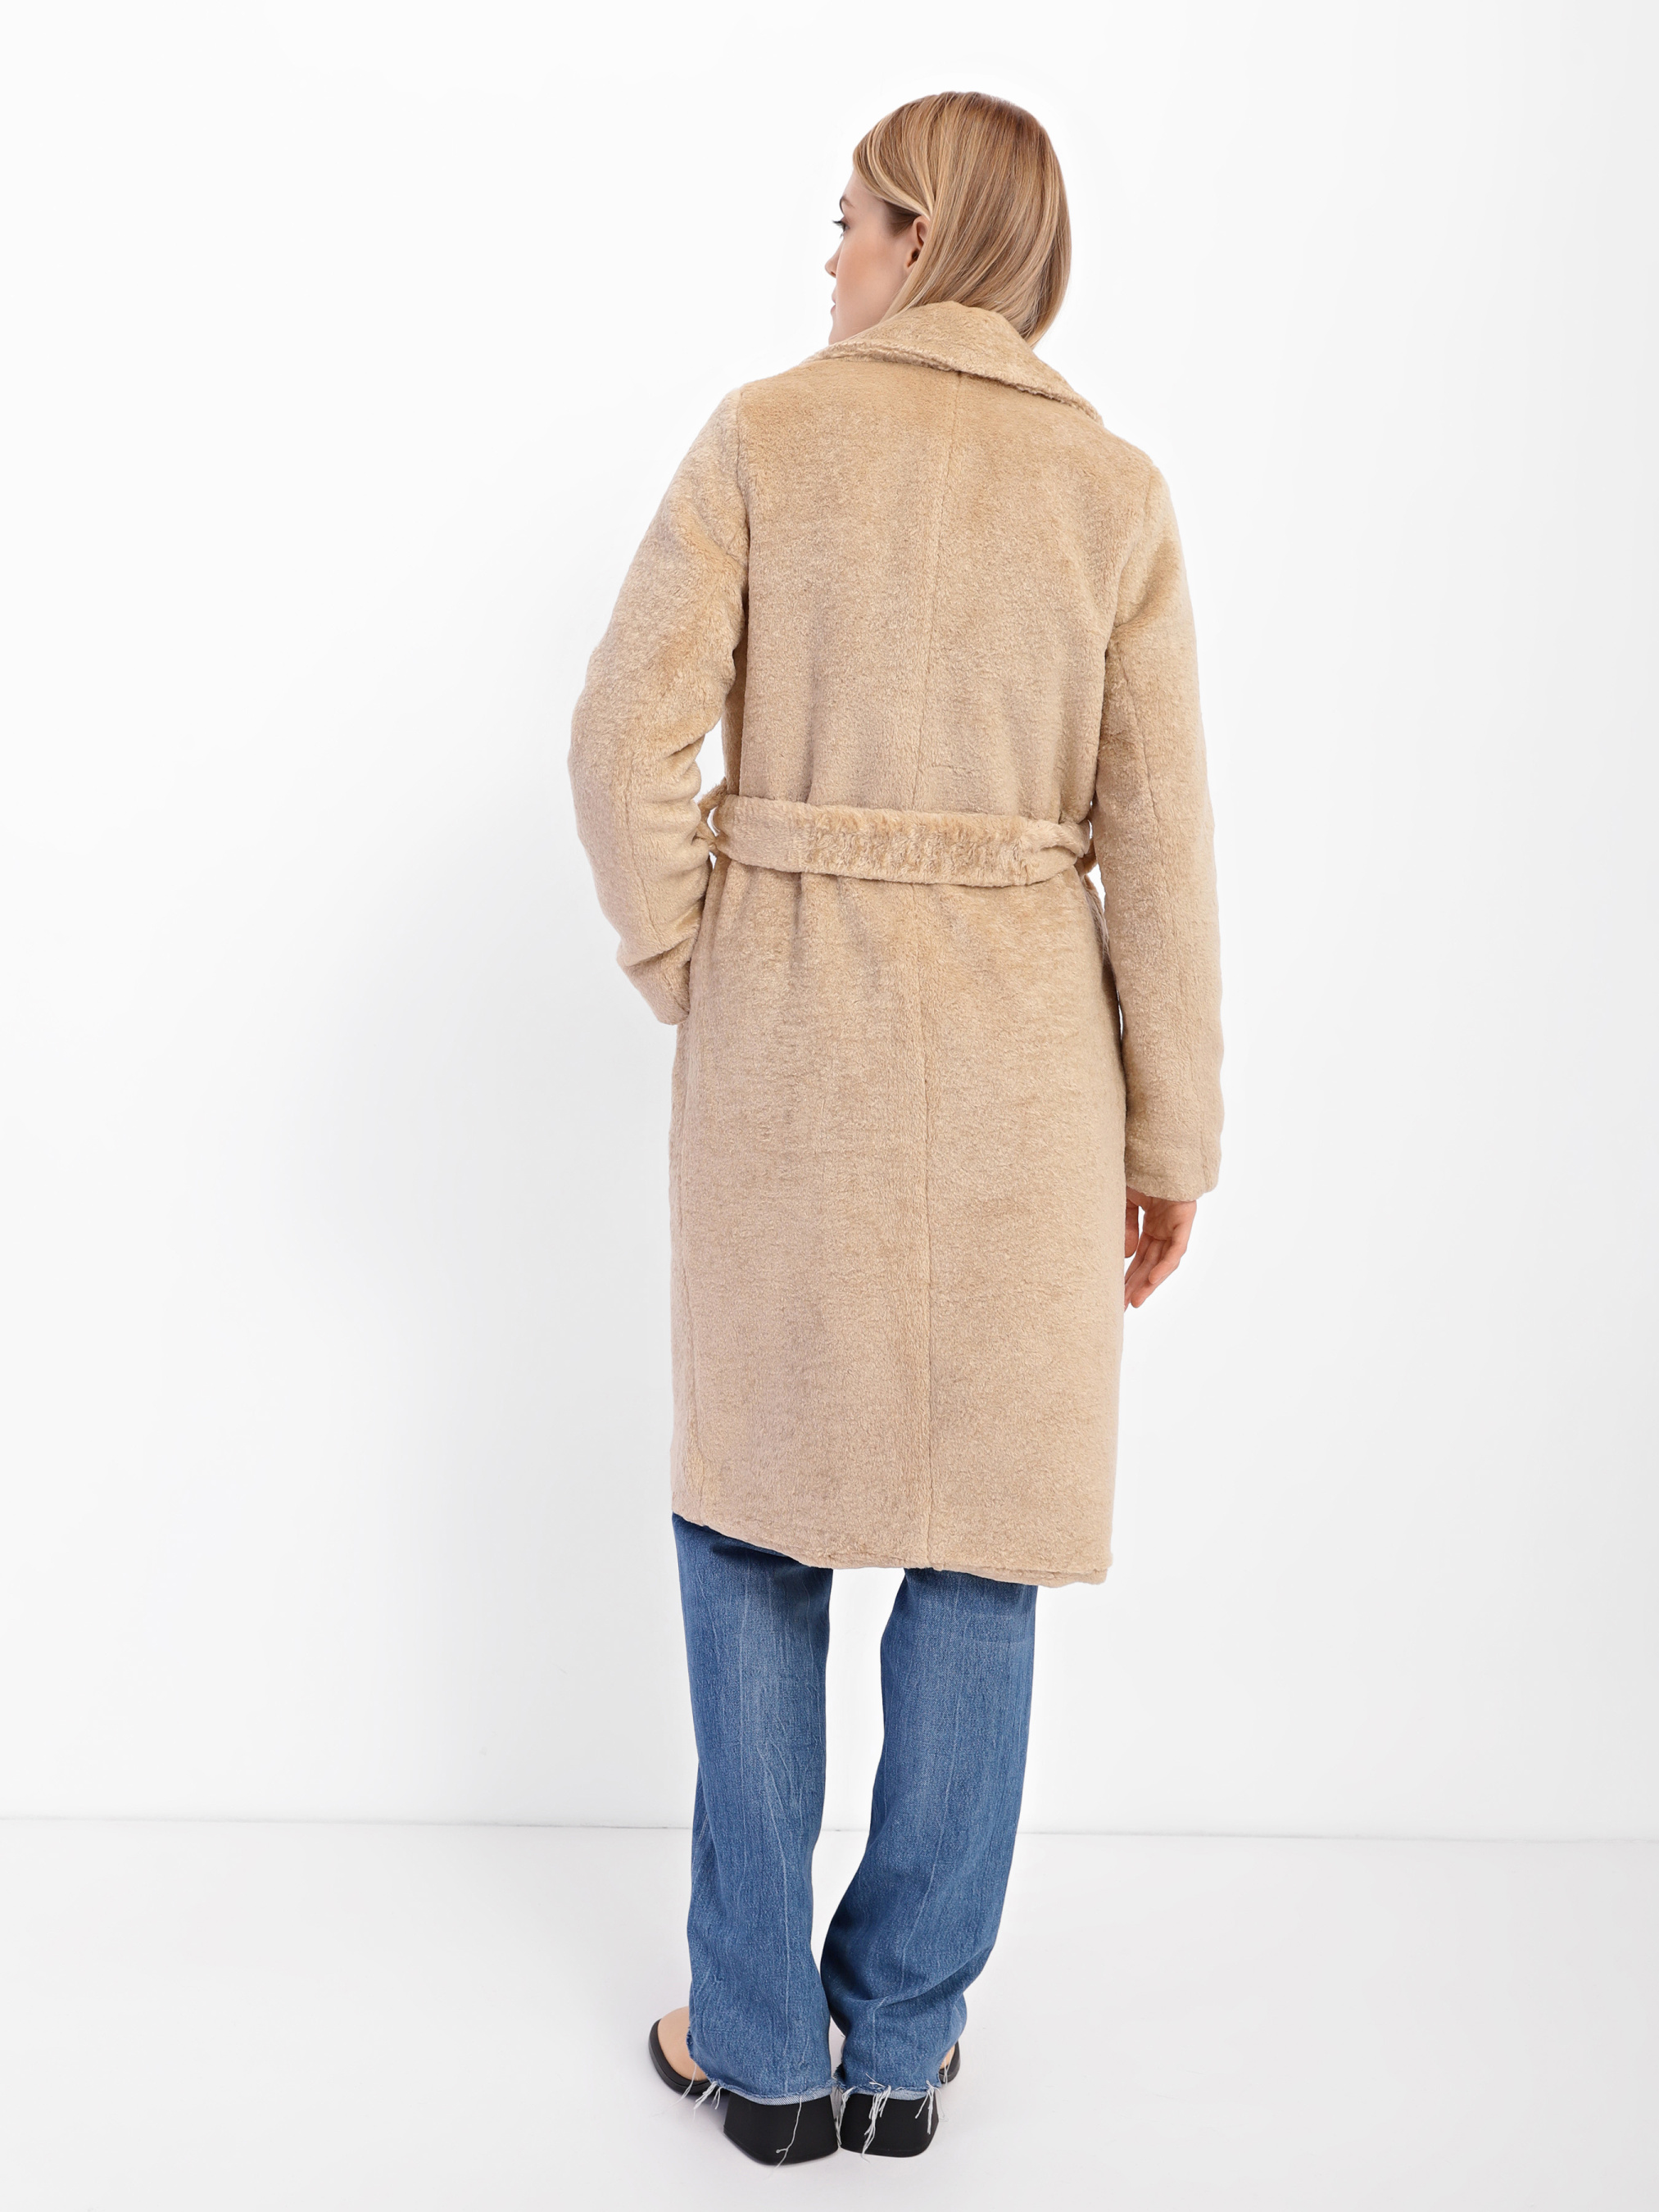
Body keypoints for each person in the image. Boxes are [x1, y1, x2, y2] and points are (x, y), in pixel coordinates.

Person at [568, 89, 1222, 2166]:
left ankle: (759, 2043)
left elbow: (618, 737)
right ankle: (901, 2042)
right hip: (1031, 1077)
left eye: (849, 218)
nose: (830, 253)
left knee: (753, 1518)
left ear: (923, 234)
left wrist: (694, 958)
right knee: (978, 1548)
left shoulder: (771, 436)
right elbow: (1158, 850)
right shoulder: (1109, 493)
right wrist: (1167, 1133)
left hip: (796, 1054)